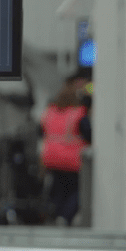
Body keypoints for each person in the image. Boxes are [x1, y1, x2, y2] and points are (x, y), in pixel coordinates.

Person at [40, 75, 91, 226]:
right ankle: (65, 217)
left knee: (58, 189)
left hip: (51, 158)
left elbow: (41, 131)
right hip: (72, 160)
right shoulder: (78, 113)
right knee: (76, 191)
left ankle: (56, 215)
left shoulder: (50, 112)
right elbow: (88, 134)